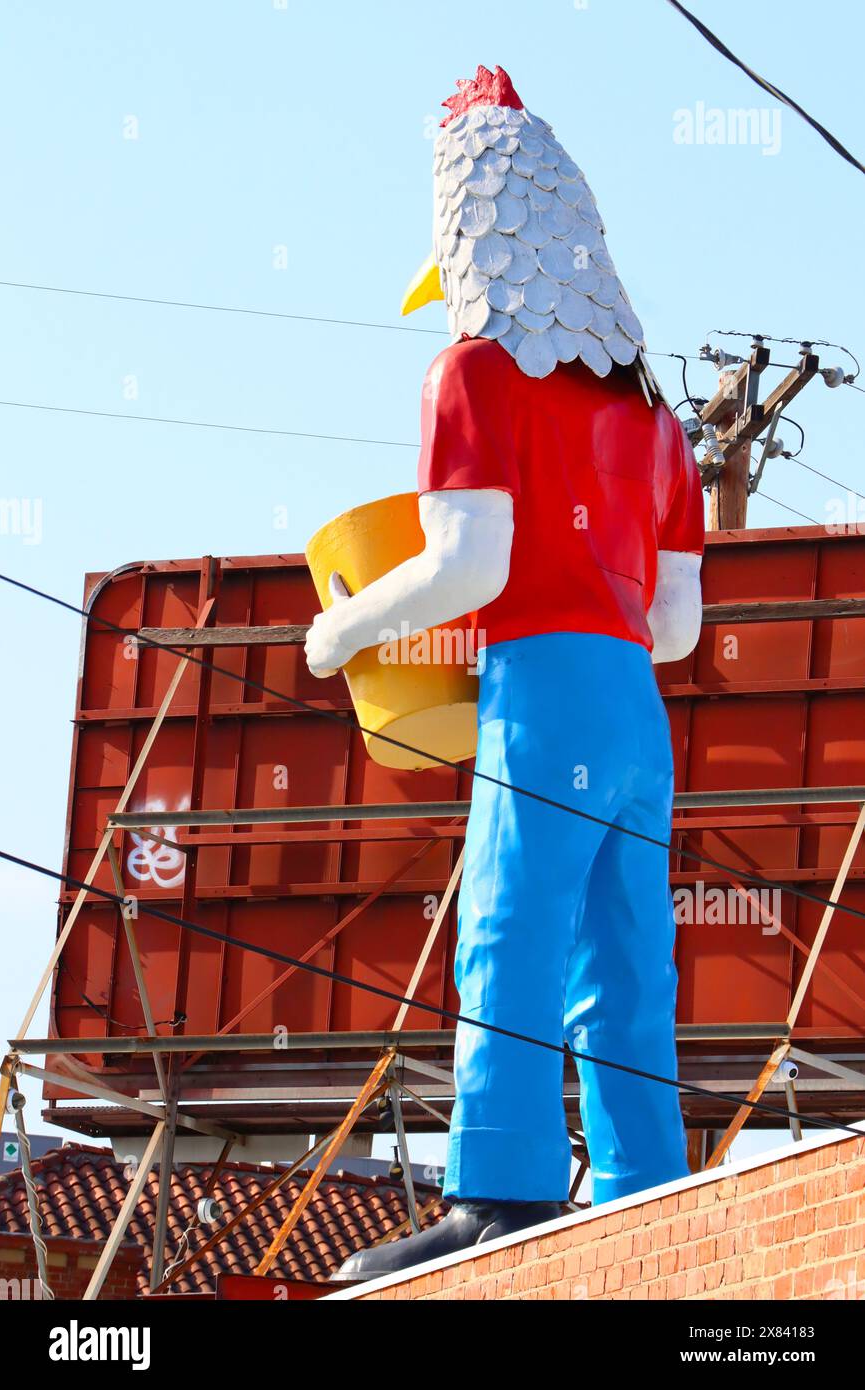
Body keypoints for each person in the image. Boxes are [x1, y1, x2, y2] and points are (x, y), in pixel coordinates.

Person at [304, 67, 704, 1281]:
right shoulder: (658, 423)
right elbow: (679, 627)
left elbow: (468, 565)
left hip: (538, 686)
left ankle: (503, 1192)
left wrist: (343, 631)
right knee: (627, 958)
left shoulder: (471, 376)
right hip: (636, 702)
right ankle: (649, 1193)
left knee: (507, 934)